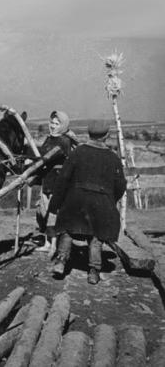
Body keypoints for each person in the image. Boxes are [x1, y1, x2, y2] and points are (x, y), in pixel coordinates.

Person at [48, 120, 127, 285]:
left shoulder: (78, 153)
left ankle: (61, 261)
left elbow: (63, 179)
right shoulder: (113, 158)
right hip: (101, 202)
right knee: (97, 235)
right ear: (106, 136)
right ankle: (93, 271)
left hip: (75, 200)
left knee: (68, 229)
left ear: (89, 134)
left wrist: (55, 204)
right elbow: (120, 185)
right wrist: (109, 200)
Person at [34, 111, 78, 256]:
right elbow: (42, 154)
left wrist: (36, 162)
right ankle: (48, 242)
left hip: (58, 182)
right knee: (43, 210)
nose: (53, 126)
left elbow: (48, 156)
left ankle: (53, 245)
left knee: (53, 213)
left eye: (56, 124)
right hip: (47, 179)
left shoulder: (64, 141)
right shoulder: (49, 139)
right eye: (51, 123)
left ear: (63, 125)